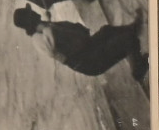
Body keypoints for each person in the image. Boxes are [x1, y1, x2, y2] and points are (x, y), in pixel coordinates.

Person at [13, 7, 148, 83]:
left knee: (106, 30)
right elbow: (51, 49)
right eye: (31, 13)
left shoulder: (41, 26)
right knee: (127, 40)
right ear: (29, 19)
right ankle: (138, 71)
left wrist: (47, 22)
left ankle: (133, 28)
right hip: (90, 61)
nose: (34, 12)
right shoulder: (37, 39)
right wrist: (46, 27)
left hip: (88, 47)